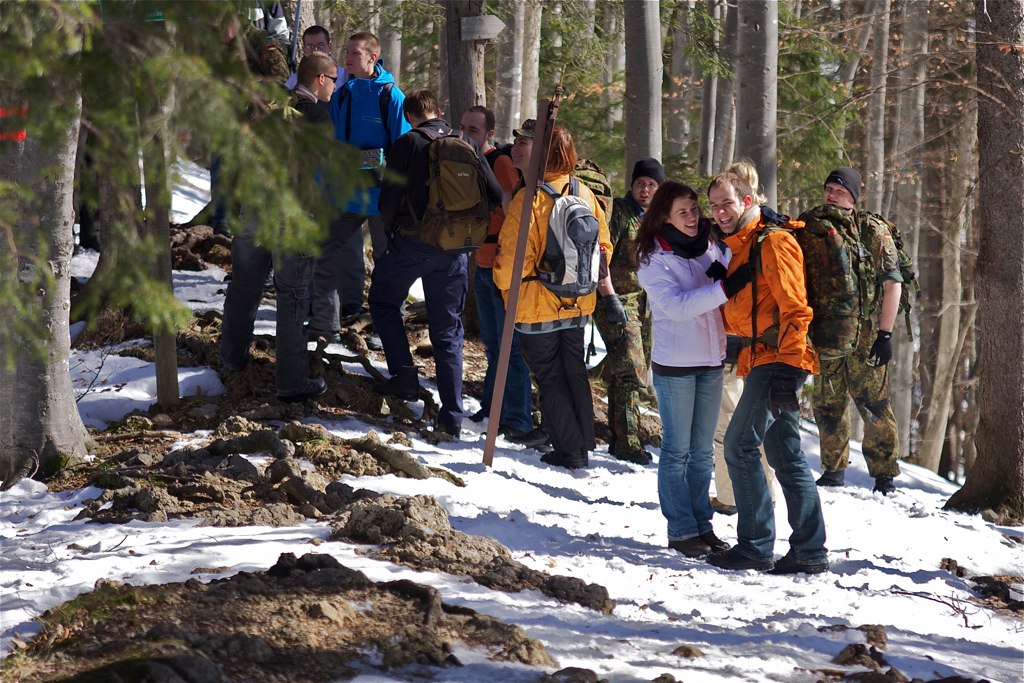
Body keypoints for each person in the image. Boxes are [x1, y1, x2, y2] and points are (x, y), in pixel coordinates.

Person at [705, 172, 828, 575]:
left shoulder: (772, 242)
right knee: (785, 453)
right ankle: (809, 550)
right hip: (762, 356)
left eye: (727, 203)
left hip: (780, 359)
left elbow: (796, 307)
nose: (721, 212)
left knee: (739, 445)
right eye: (715, 205)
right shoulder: (740, 246)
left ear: (747, 199)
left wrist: (788, 370)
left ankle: (756, 545)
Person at [370, 91, 503, 437]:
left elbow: (388, 201)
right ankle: (452, 415)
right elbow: (495, 195)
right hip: (455, 249)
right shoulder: (466, 143)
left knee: (384, 302)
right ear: (440, 111)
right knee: (448, 332)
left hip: (412, 243)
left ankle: (404, 375)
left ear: (410, 115)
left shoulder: (407, 142)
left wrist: (393, 232)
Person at [635, 182, 750, 557]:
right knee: (677, 451)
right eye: (681, 212)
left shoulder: (707, 245)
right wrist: (726, 288)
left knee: (702, 453)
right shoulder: (654, 257)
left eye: (693, 209)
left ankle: (702, 525)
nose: (691, 217)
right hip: (676, 365)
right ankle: (681, 529)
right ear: (664, 216)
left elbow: (729, 262)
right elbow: (677, 306)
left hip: (712, 360)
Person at [492, 124, 617, 470]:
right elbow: (603, 246)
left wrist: (506, 294)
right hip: (578, 302)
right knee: (573, 372)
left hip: (536, 304)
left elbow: (511, 258)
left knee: (549, 378)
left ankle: (570, 451)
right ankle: (582, 444)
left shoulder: (529, 198)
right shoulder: (585, 193)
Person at [219, 52, 338, 403]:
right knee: (293, 295)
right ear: (319, 79)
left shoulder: (267, 107)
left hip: (255, 206)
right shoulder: (317, 114)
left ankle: (230, 358)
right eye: (333, 79)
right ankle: (291, 380)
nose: (335, 86)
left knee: (245, 284)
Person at [807, 167, 903, 494]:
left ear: (853, 196)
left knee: (874, 405)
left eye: (839, 189)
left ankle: (884, 475)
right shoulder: (814, 227)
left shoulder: (871, 230)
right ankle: (833, 470)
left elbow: (893, 284)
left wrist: (886, 334)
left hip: (867, 334)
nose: (831, 194)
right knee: (827, 402)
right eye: (828, 188)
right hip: (826, 332)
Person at [310, 32, 410, 339]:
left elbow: (404, 148)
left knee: (389, 264)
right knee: (322, 253)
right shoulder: (343, 94)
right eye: (347, 52)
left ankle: (388, 330)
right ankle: (325, 324)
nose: (347, 58)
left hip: (383, 198)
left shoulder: (391, 95)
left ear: (372, 57)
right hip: (346, 195)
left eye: (355, 53)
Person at [461, 109, 548, 448]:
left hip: (503, 266)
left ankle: (514, 416)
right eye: (464, 127)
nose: (467, 133)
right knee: (495, 344)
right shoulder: (485, 161)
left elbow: (511, 207)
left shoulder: (501, 164)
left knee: (508, 348)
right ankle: (492, 407)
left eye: (474, 129)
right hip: (485, 263)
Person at [711, 161, 779, 515]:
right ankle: (757, 494)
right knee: (753, 430)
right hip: (756, 346)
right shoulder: (765, 229)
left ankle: (731, 497)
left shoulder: (751, 237)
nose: (722, 212)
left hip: (737, 346)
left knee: (729, 427)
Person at [593, 157, 664, 466]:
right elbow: (601, 253)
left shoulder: (658, 220)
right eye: (640, 184)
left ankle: (621, 435)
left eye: (651, 185)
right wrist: (608, 296)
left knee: (632, 370)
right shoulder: (621, 213)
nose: (645, 189)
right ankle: (627, 442)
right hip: (619, 301)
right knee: (630, 371)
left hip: (645, 307)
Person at [284, 25, 345, 92]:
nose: (316, 50)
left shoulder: (344, 77)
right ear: (304, 50)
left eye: (321, 45)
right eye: (310, 46)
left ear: (330, 47)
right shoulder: (295, 80)